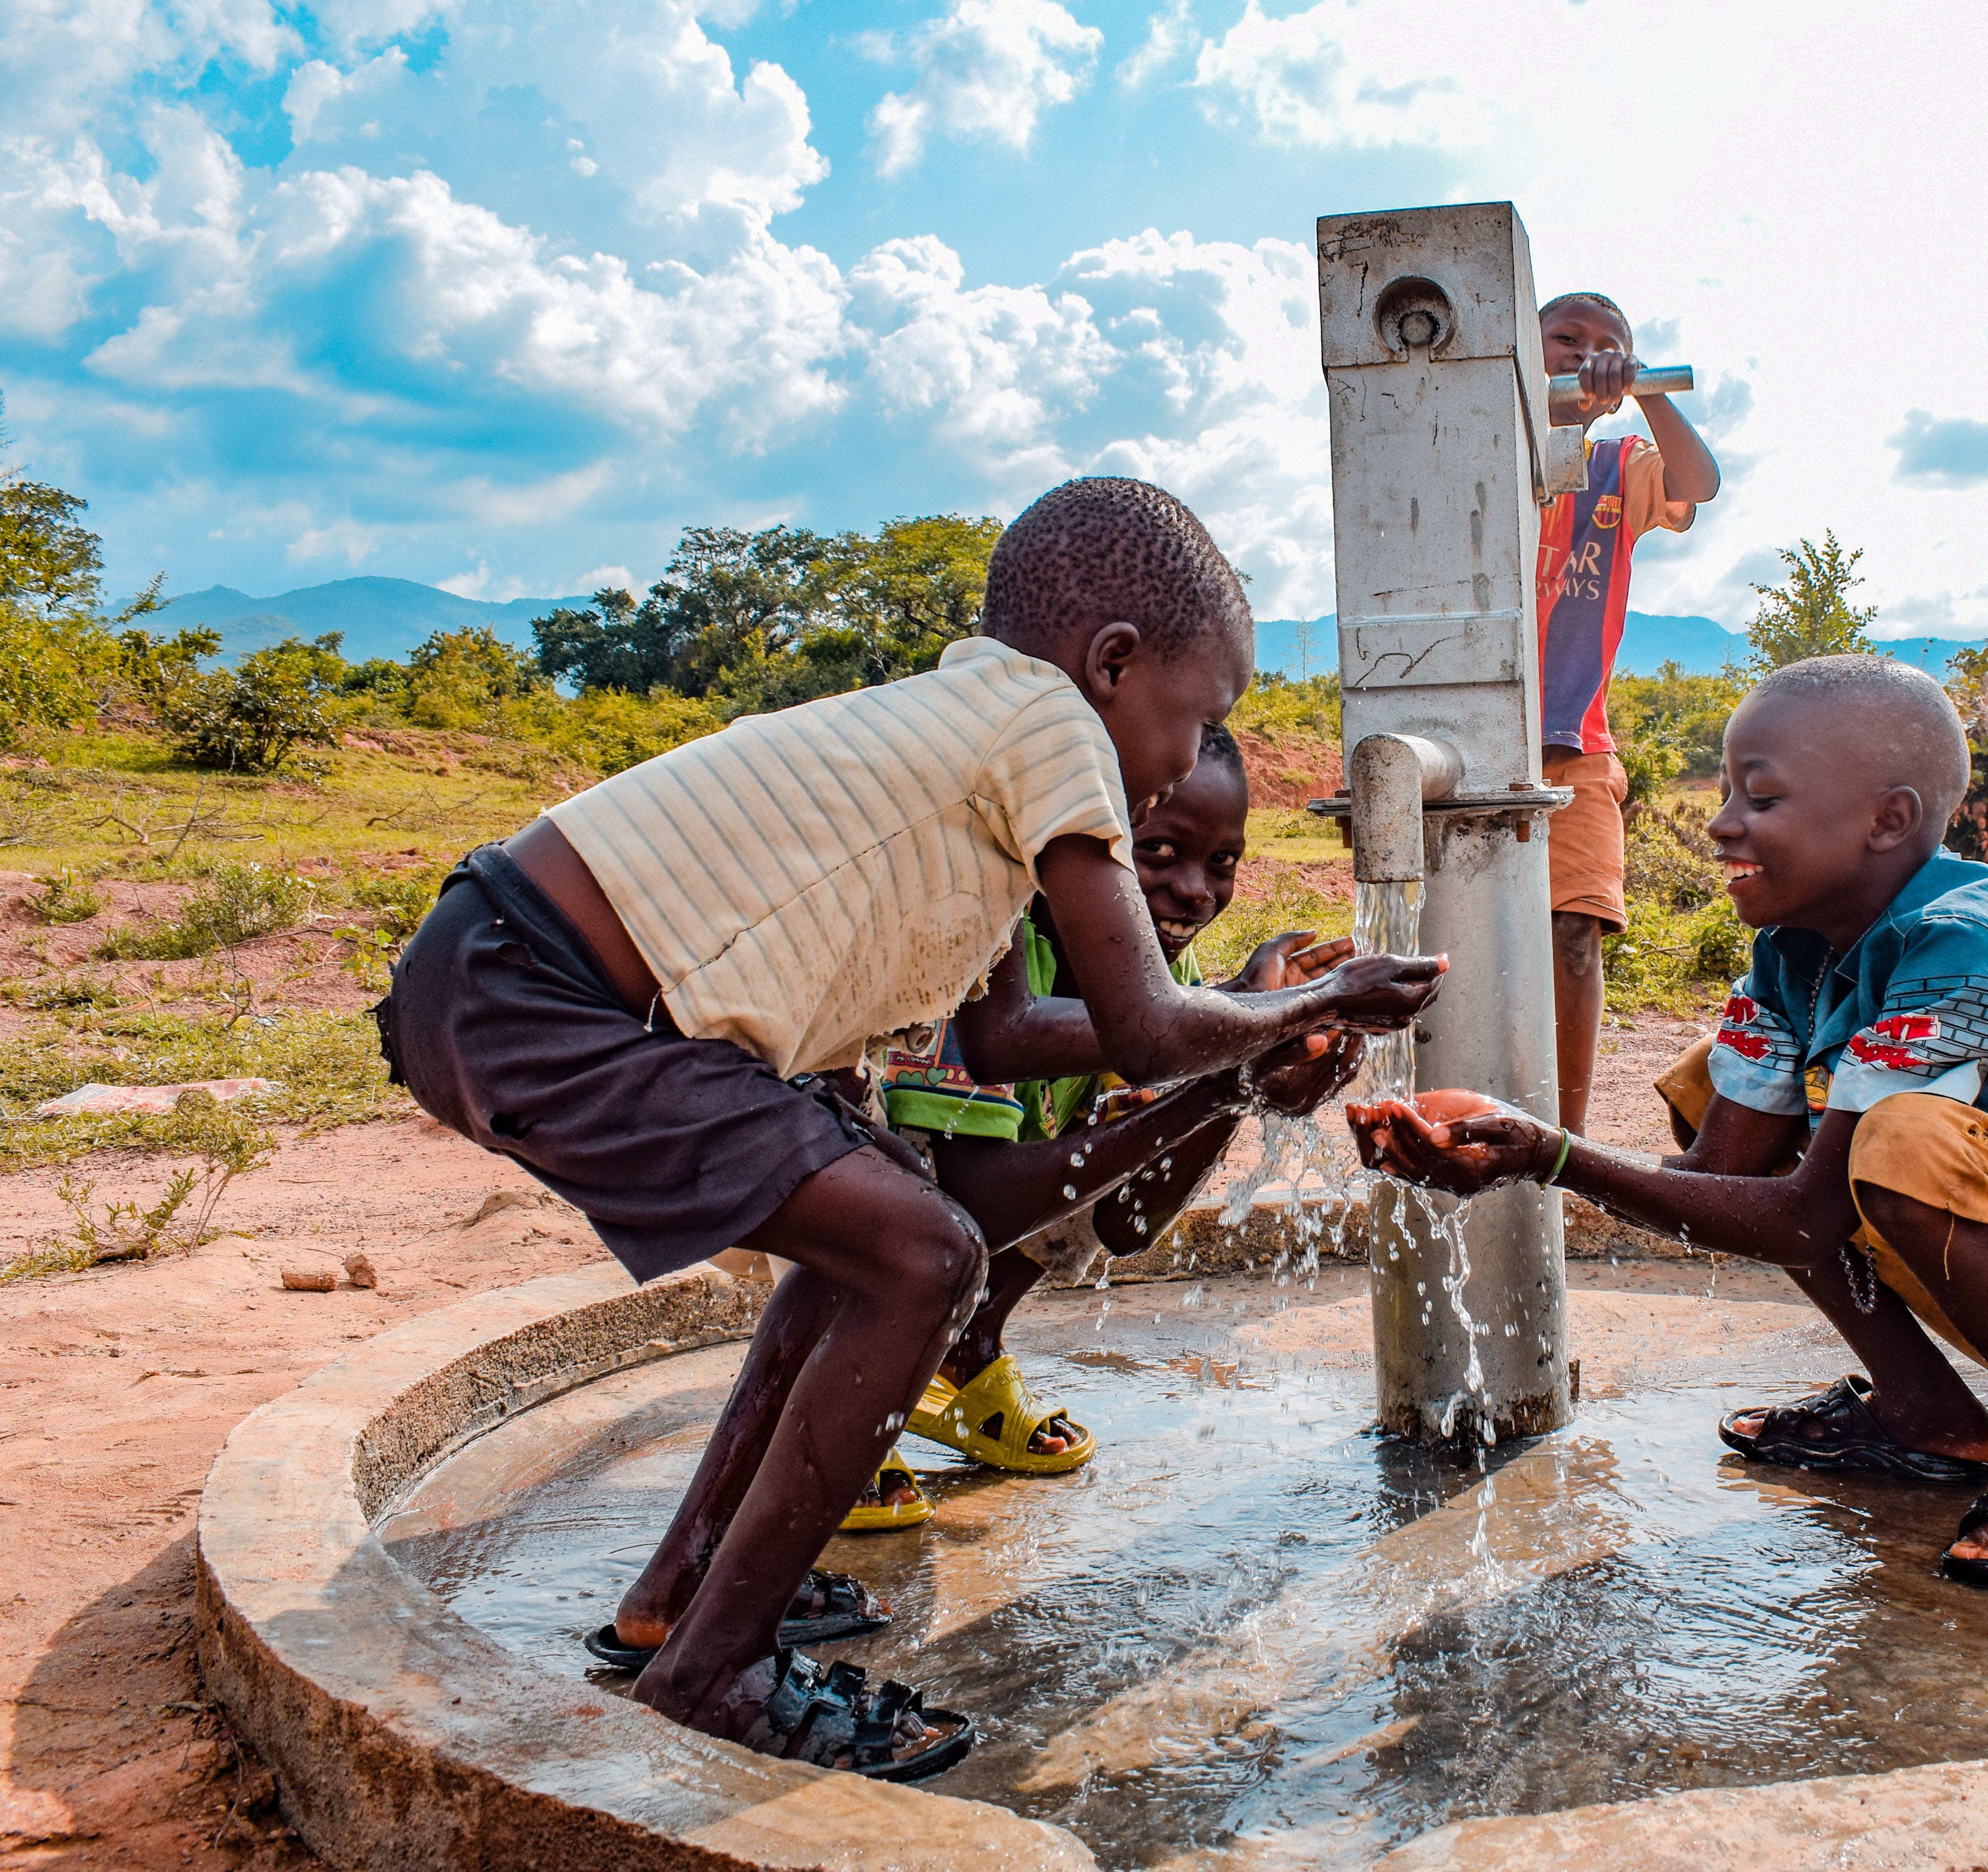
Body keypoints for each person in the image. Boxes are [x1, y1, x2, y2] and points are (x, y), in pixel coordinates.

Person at [380, 477, 1443, 1777]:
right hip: (540, 991)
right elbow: (1148, 1025)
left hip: (498, 972)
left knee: (872, 1209)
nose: (1186, 758)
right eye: (1197, 715)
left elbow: (1004, 1033)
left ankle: (684, 1588)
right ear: (1111, 666)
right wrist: (1317, 998)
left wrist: (1253, 1022)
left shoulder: (973, 736)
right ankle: (717, 1668)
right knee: (921, 1250)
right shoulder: (1045, 724)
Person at [1351, 654, 1988, 1589]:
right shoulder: (1796, 950)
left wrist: (1548, 1157)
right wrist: (1528, 1153)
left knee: (1902, 1141)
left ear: (1888, 821)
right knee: (1723, 1088)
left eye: (1763, 797)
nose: (1721, 821)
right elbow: (1728, 1179)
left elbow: (1799, 1220)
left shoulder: (1960, 945)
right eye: (1728, 788)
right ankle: (1926, 1415)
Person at [867, 723, 1352, 1476]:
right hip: (764, 1158)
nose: (1194, 889)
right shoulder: (977, 937)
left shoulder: (1148, 973)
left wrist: (1238, 1076)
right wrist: (1221, 1050)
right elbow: (973, 1200)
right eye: (1155, 851)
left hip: (929, 1193)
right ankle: (831, 1404)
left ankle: (963, 1350)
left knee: (1105, 1145)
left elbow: (1124, 1221)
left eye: (1220, 862)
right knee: (888, 1174)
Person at [1533, 290, 1720, 1136]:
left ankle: (1566, 1143)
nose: (1585, 356)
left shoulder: (1619, 466)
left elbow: (1701, 484)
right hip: (1464, 733)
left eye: (1608, 347)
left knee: (1576, 933)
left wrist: (1646, 394)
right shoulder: (1474, 450)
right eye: (1565, 341)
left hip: (1574, 741)